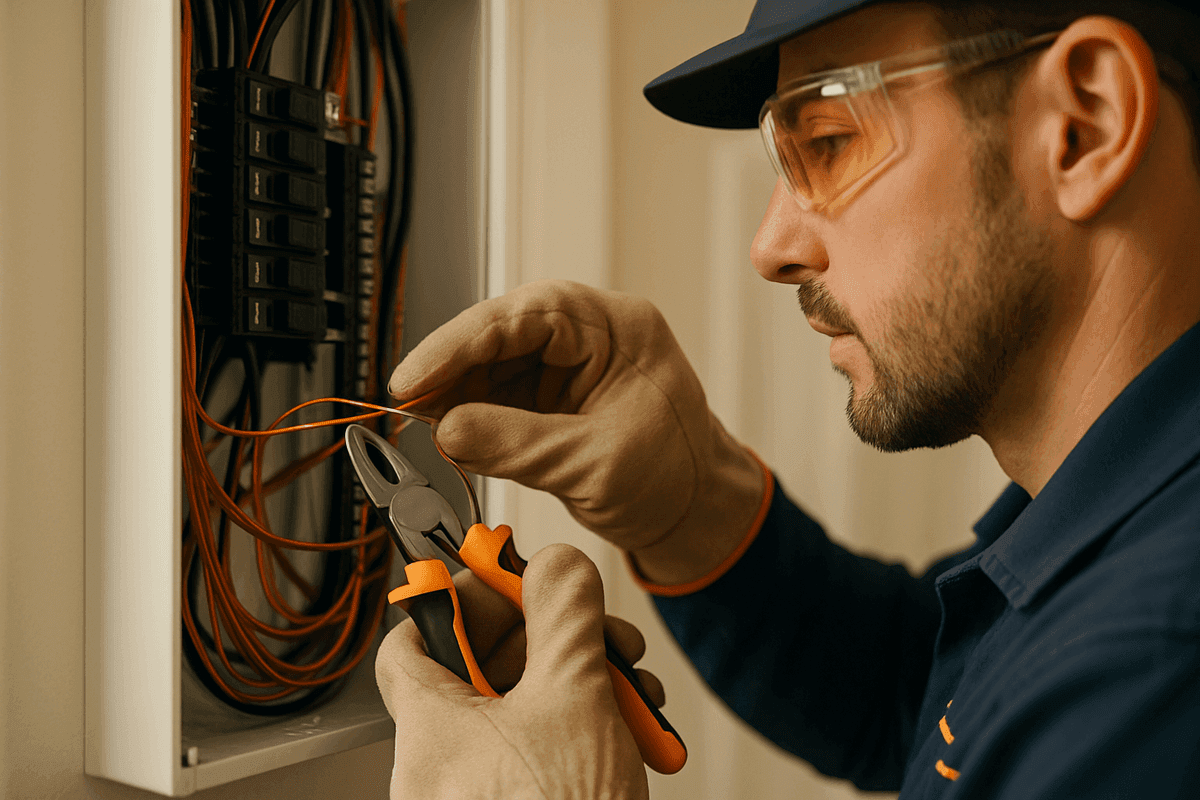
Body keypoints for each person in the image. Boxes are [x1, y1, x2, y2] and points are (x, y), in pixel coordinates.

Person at [374, 0, 1200, 796]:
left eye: (831, 140)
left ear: (1082, 125)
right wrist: (693, 508)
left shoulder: (1158, 665)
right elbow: (920, 697)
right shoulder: (1114, 543)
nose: (773, 247)